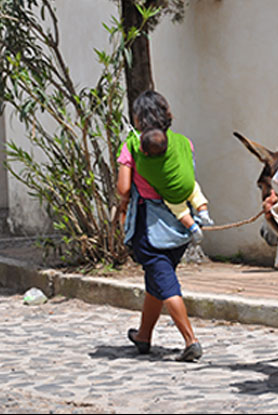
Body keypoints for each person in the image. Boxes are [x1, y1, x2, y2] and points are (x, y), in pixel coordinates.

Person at [116, 90, 202, 362]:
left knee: (166, 283)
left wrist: (121, 205)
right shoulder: (184, 143)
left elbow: (124, 188)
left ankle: (191, 340)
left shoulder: (132, 146)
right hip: (180, 225)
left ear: (139, 118)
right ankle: (143, 336)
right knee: (156, 281)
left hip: (149, 226)